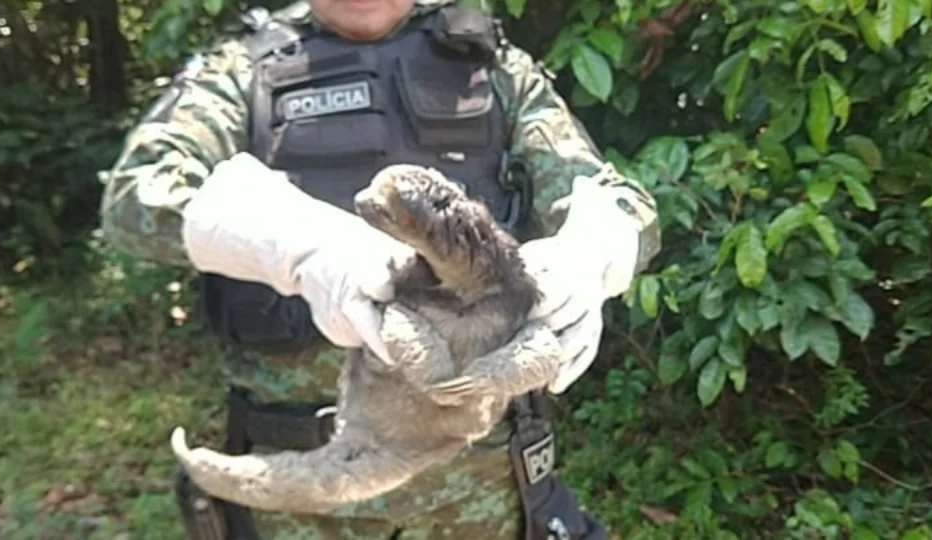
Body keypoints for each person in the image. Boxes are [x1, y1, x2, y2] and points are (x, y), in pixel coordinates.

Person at [98, 0, 661, 538]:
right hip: (305, 482)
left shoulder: (488, 64)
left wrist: (590, 252)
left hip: (482, 481)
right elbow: (136, 195)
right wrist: (298, 246)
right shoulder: (244, 68)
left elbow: (616, 199)